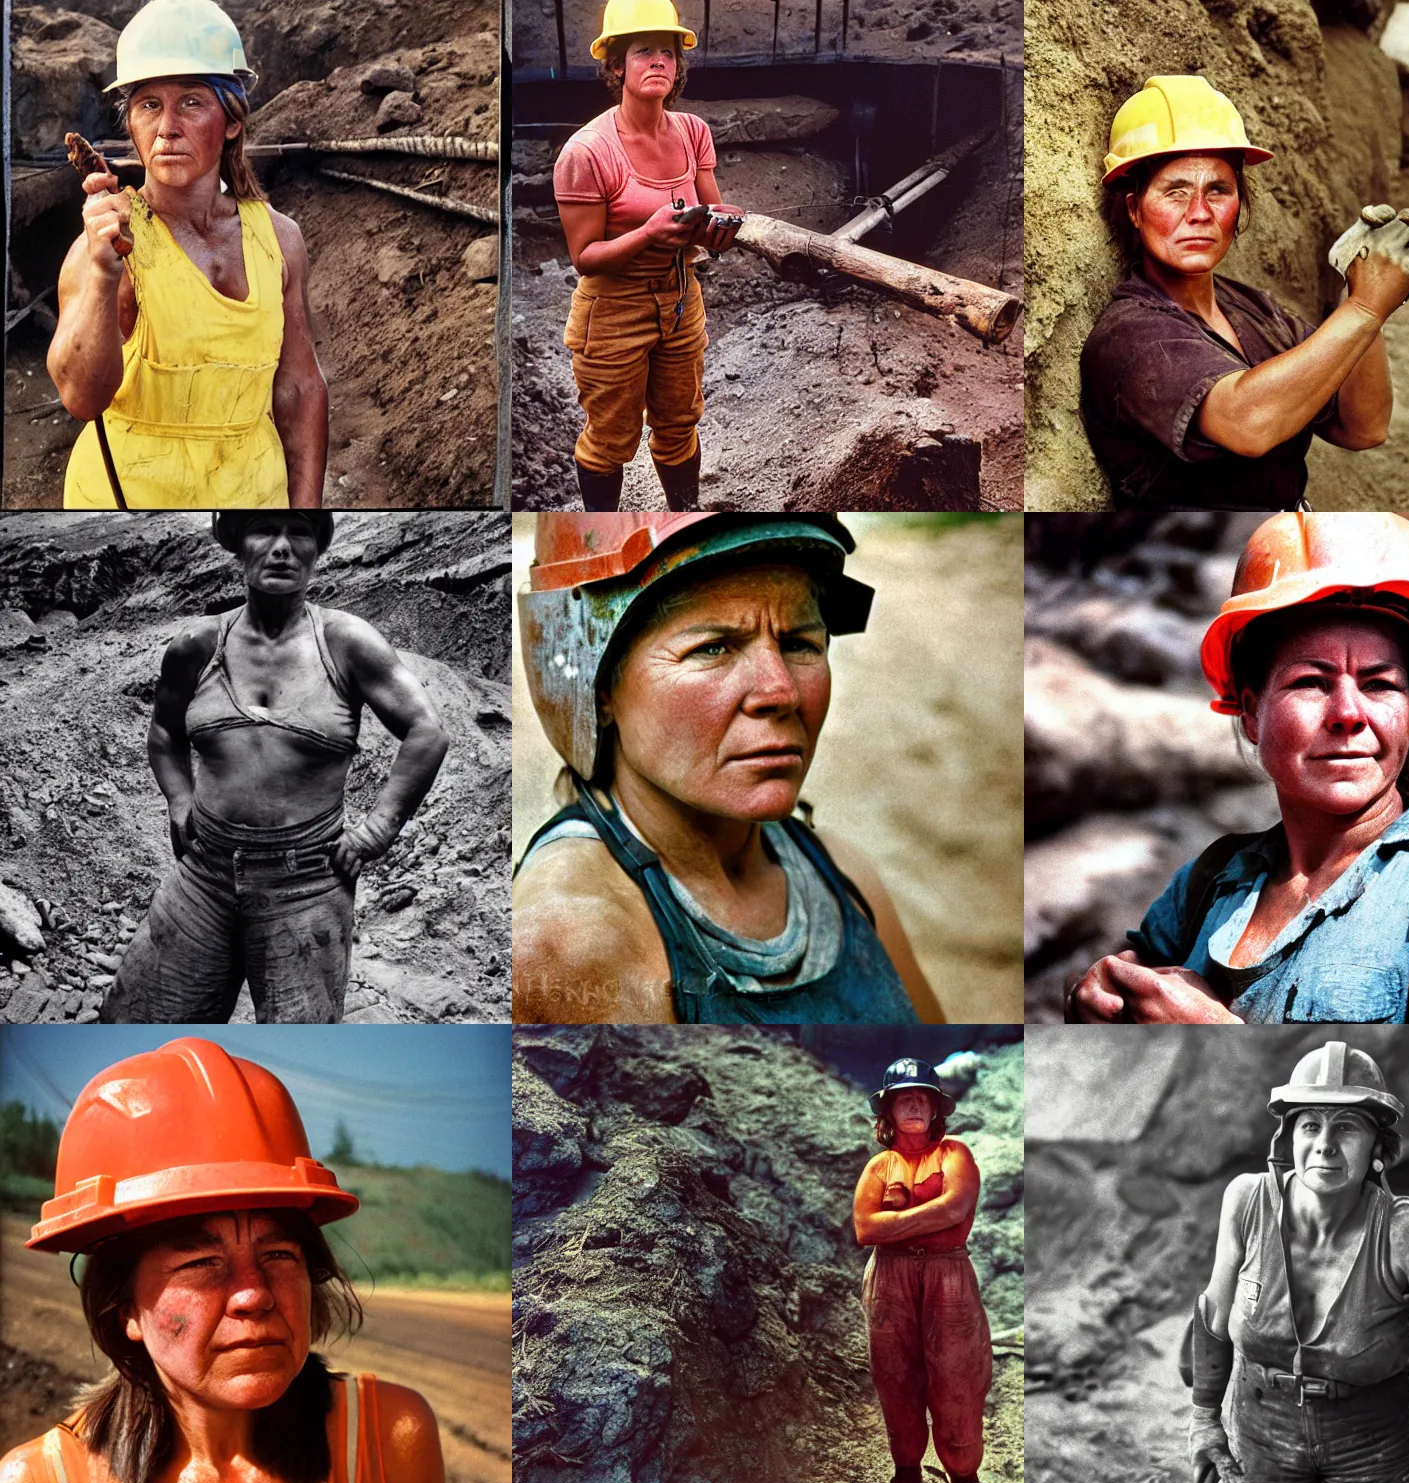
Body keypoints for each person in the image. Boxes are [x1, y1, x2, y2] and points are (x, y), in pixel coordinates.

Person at [1066, 510, 1409, 1023]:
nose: (1348, 715)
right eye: (1311, 682)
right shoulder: (1207, 884)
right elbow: (1129, 973)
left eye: (1380, 685)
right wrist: (1097, 991)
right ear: (1250, 712)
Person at [0, 1036, 448, 1483]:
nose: (254, 1294)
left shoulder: (390, 1442)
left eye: (278, 1255)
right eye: (202, 1262)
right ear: (123, 1305)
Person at [513, 511, 945, 1024]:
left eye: (798, 643)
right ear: (600, 687)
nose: (780, 691)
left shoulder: (846, 882)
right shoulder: (566, 947)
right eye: (712, 648)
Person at [100, 513, 450, 1024]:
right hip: (203, 875)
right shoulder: (196, 647)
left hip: (307, 884)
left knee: (297, 1043)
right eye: (265, 531)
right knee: (134, 1026)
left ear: (316, 551)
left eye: (300, 533)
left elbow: (427, 731)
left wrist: (377, 830)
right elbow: (165, 733)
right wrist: (178, 798)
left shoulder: (346, 642)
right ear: (240, 546)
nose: (282, 547)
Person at [1187, 1041, 1409, 1483]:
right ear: (1288, 1137)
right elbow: (1214, 1313)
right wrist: (1204, 1416)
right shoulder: (1246, 1201)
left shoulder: (1406, 1232)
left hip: (1371, 1443)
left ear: (1378, 1150)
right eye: (1310, 1124)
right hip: (1261, 1433)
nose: (1325, 1144)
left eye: (1347, 1128)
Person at [1080, 75, 1409, 512]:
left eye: (1219, 191)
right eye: (1175, 193)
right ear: (1134, 209)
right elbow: (1246, 424)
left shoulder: (1252, 309)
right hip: (1195, 552)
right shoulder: (1129, 337)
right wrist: (1364, 307)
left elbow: (1362, 427)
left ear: (1239, 204)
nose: (1200, 214)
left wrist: (1361, 294)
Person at [48, 0, 327, 509]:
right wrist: (103, 274)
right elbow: (81, 399)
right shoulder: (105, 247)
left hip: (252, 502)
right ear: (131, 124)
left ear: (233, 120)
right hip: (129, 509)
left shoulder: (280, 240)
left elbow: (300, 390)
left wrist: (302, 515)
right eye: (149, 104)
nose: (167, 127)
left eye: (192, 103)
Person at [552, 0, 743, 512]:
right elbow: (585, 256)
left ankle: (685, 519)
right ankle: (600, 539)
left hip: (682, 300)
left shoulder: (693, 133)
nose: (658, 61)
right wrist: (647, 233)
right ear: (616, 65)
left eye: (667, 52)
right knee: (610, 439)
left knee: (680, 424)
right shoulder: (587, 152)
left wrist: (719, 228)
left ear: (678, 66)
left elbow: (708, 210)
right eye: (642, 52)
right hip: (614, 312)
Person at [852, 1058, 1000, 1483]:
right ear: (889, 1110)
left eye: (922, 1097)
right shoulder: (879, 1166)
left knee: (957, 1379)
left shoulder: (955, 1153)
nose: (913, 1104)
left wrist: (892, 1226)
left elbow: (958, 1206)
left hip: (949, 1277)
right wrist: (931, 1218)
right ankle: (907, 1478)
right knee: (896, 1376)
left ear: (936, 1107)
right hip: (889, 1281)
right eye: (903, 1097)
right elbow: (863, 1228)